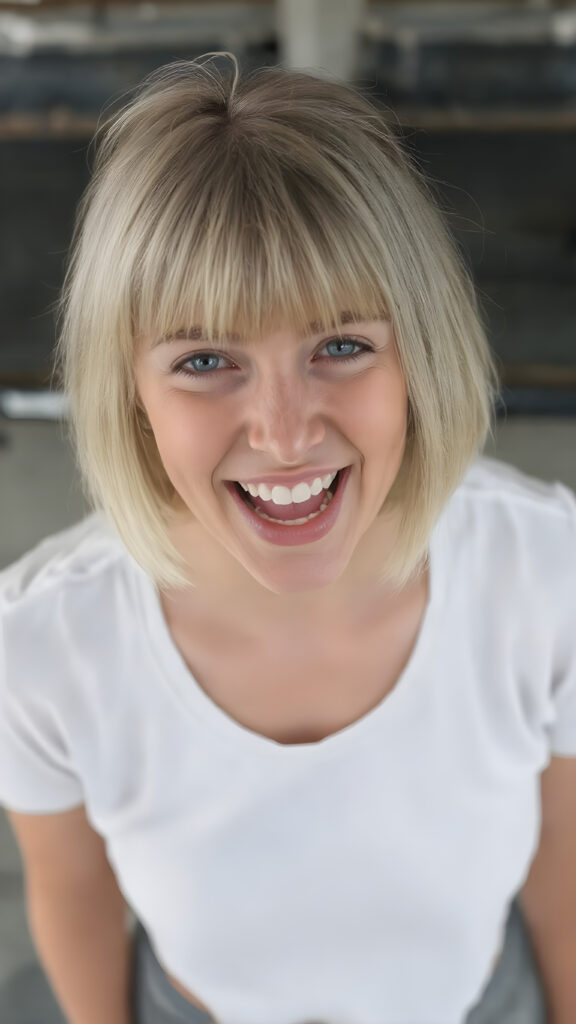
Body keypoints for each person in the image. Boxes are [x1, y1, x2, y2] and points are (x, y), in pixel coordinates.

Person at [0, 53, 575, 1024]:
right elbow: (73, 892)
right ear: (130, 392)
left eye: (340, 346)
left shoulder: (547, 574)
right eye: (207, 360)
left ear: (419, 356)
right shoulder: (43, 643)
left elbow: (567, 866)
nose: (284, 430)